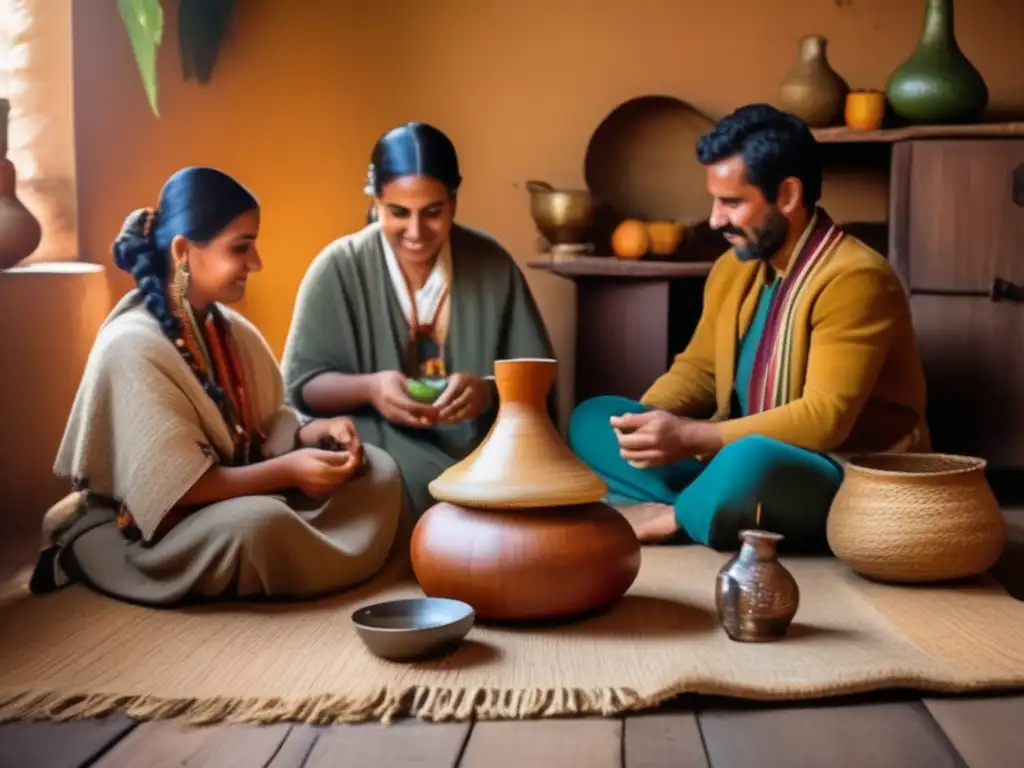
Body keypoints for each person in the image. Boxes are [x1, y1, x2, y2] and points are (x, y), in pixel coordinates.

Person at [30, 167, 404, 606]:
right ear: (185, 251)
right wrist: (289, 471)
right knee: (259, 525)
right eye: (242, 247)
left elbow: (262, 434)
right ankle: (88, 557)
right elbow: (177, 489)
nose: (256, 263)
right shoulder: (132, 346)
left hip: (242, 496)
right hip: (161, 527)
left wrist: (313, 434)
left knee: (378, 472)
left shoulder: (234, 332)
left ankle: (297, 559)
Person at [568, 104, 930, 552]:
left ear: (789, 196)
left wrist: (689, 437)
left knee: (749, 461)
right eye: (715, 200)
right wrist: (647, 423)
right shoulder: (733, 267)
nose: (716, 219)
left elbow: (824, 422)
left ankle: (684, 512)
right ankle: (714, 506)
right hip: (729, 452)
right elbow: (699, 369)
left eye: (733, 202)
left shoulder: (856, 278)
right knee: (591, 419)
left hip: (835, 468)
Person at [281, 122, 556, 518]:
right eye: (398, 213)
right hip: (379, 440)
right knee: (385, 482)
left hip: (481, 444)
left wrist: (487, 391)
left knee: (534, 485)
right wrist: (371, 388)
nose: (415, 231)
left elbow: (539, 381)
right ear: (375, 203)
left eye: (432, 212)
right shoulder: (337, 268)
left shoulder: (492, 263)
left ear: (454, 202)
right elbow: (303, 389)